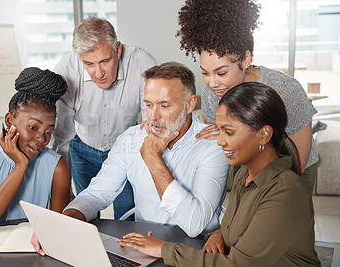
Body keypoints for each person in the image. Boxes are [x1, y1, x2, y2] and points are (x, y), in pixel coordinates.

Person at [32, 62, 229, 255]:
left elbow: (194, 225)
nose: (154, 116)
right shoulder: (131, 139)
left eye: (164, 105)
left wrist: (153, 160)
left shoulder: (213, 144)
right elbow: (96, 194)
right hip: (144, 244)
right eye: (149, 105)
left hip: (193, 249)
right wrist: (62, 224)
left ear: (190, 104)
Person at [117, 82, 321, 267]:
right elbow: (239, 228)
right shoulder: (245, 175)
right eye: (219, 131)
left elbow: (238, 264)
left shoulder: (286, 191)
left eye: (229, 132)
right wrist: (217, 235)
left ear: (264, 134)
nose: (220, 141)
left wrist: (163, 249)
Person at [175, 0, 318, 194]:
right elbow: (224, 141)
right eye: (205, 73)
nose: (212, 83)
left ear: (246, 59)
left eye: (221, 73)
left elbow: (299, 158)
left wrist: (283, 194)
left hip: (293, 169)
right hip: (246, 165)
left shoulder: (286, 90)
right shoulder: (212, 94)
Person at [51, 17, 157, 220]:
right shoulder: (66, 70)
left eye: (105, 61)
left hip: (126, 148)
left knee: (126, 215)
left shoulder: (142, 63)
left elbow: (151, 123)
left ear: (117, 49)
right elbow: (60, 138)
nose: (98, 73)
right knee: (85, 213)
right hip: (81, 147)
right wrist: (62, 191)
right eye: (89, 64)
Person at [0, 67, 71, 232]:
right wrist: (20, 166)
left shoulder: (58, 168)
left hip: (37, 248)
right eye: (33, 127)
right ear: (9, 120)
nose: (42, 138)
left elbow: (58, 229)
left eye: (48, 131)